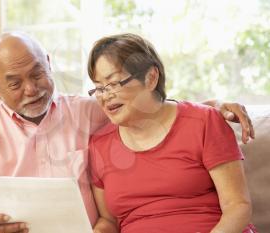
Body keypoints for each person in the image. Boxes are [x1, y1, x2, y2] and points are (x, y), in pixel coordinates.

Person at [0, 31, 254, 233]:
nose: (31, 89)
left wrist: (216, 106)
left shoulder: (90, 110)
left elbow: (154, 108)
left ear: (49, 65)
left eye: (37, 73)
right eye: (15, 83)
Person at [87, 33, 257, 233]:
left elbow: (237, 206)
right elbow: (108, 220)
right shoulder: (100, 145)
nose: (105, 96)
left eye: (113, 83)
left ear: (150, 77)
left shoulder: (204, 122)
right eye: (98, 88)